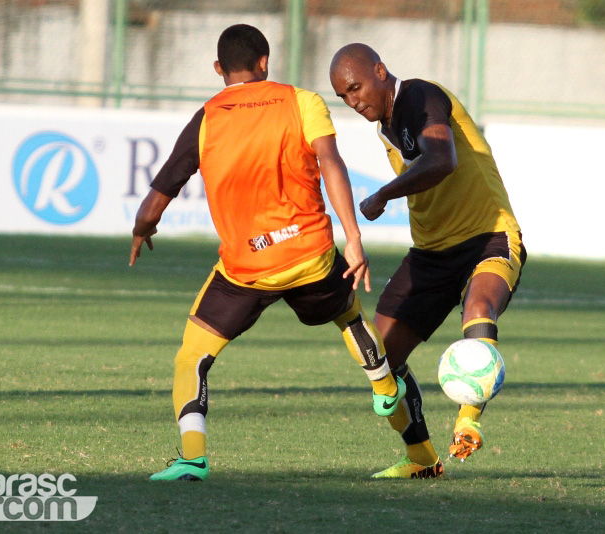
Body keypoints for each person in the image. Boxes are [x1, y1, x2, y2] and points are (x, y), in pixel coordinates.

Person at [130, 26, 406, 482]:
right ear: (265, 61)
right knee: (349, 317)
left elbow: (157, 196)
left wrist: (143, 229)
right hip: (311, 253)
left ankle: (193, 457)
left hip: (247, 269)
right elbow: (330, 163)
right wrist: (353, 237)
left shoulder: (207, 118)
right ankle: (381, 382)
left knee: (192, 355)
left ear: (219, 69)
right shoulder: (303, 101)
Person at [329, 43, 526, 479]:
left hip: (488, 235)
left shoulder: (419, 96)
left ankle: (468, 421)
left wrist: (383, 193)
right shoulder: (387, 124)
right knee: (381, 355)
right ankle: (421, 459)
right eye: (343, 96)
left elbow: (443, 159)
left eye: (356, 87)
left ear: (381, 71)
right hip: (433, 252)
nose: (352, 100)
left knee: (478, 309)